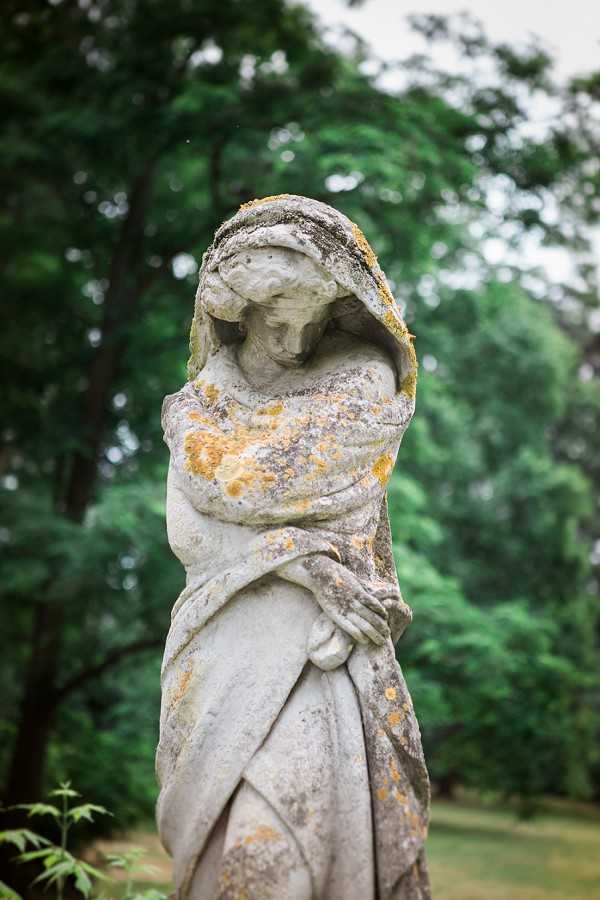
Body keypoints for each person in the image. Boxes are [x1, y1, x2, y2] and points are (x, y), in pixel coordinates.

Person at [156, 195, 430, 899]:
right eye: (278, 310)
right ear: (236, 309)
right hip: (220, 647)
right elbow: (196, 534)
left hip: (314, 659)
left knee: (272, 859)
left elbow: (273, 491)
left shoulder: (362, 382)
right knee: (225, 869)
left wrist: (278, 551)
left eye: (317, 312)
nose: (297, 334)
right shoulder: (194, 413)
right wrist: (304, 562)